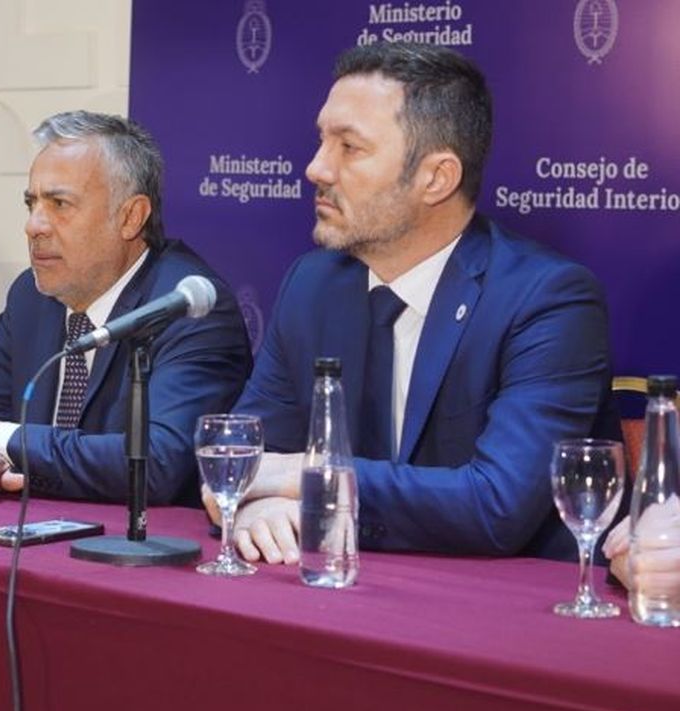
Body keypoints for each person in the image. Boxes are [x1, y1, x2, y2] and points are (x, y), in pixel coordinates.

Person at [217, 43, 621, 563]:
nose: (316, 168)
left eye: (350, 147)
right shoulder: (311, 285)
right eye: (321, 141)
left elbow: (497, 506)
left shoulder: (548, 299)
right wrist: (249, 510)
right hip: (344, 591)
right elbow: (237, 463)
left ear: (436, 178)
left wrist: (302, 478)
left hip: (508, 609)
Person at [0, 110, 251, 504]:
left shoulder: (187, 308)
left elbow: (157, 465)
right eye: (31, 204)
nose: (34, 225)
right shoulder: (32, 297)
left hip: (138, 553)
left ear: (130, 217)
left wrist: (1, 439)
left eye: (59, 204)